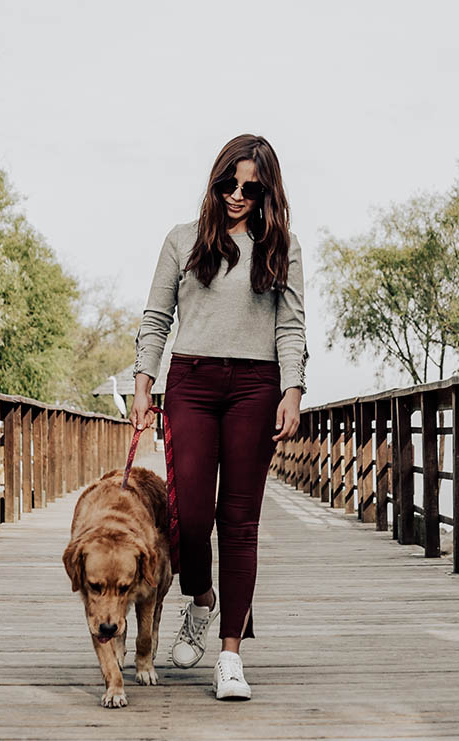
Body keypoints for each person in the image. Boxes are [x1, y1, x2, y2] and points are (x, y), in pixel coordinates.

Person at [129, 133, 308, 701]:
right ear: (215, 179)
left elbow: (291, 326)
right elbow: (157, 317)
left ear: (266, 192)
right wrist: (142, 384)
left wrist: (293, 390)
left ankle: (231, 654)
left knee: (240, 523)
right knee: (191, 518)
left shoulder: (283, 247)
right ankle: (201, 599)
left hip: (256, 387)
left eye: (250, 188)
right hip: (192, 384)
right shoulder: (182, 241)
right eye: (228, 182)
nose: (236, 194)